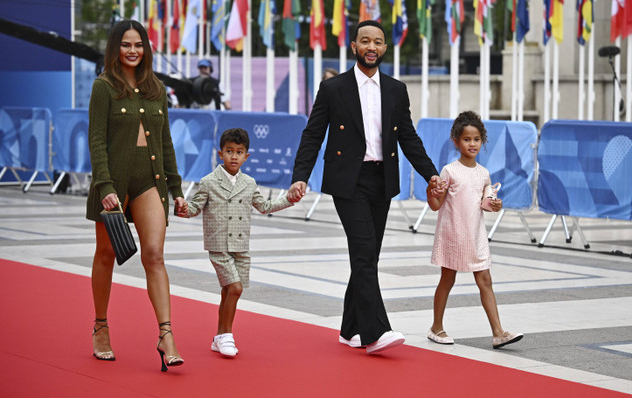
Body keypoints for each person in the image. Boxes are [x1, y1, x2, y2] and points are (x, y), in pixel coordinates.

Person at [287, 20, 446, 354]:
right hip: (348, 180)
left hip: (382, 180)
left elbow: (408, 137)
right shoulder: (334, 89)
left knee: (368, 256)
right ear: (354, 46)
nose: (371, 47)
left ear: (385, 48)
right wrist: (300, 175)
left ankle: (349, 329)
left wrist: (430, 173)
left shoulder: (395, 89)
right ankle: (375, 331)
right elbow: (313, 134)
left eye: (377, 42)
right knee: (362, 254)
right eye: (365, 41)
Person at [86, 19, 185, 371]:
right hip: (113, 183)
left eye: (138, 45)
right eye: (126, 45)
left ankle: (166, 334)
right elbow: (96, 140)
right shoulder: (103, 87)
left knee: (155, 255)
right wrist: (105, 187)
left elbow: (166, 142)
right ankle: (100, 326)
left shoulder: (155, 87)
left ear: (146, 49)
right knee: (106, 252)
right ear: (115, 48)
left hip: (150, 182)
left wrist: (175, 189)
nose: (133, 51)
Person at [177, 128, 294, 357]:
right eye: (229, 151)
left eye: (239, 152)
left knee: (227, 291)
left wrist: (289, 199)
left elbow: (264, 207)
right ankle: (227, 335)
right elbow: (194, 208)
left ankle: (218, 337)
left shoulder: (249, 183)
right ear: (220, 153)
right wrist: (182, 208)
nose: (233, 156)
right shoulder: (209, 182)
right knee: (236, 288)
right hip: (219, 245)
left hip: (241, 247)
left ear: (246, 156)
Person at [426, 111, 523, 349]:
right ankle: (436, 327)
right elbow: (436, 206)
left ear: (483, 141)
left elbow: (485, 204)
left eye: (477, 139)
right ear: (456, 141)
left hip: (476, 235)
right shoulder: (449, 171)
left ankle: (498, 333)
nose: (472, 144)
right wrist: (431, 193)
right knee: (447, 280)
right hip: (453, 235)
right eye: (467, 139)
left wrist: (496, 206)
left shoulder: (484, 174)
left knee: (485, 280)